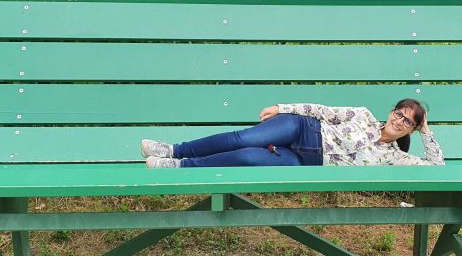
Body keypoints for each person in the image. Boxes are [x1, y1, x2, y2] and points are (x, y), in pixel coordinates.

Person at [142, 98, 444, 168]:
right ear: (392, 112)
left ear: (413, 129)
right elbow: (321, 111)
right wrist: (282, 107)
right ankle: (174, 150)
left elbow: (436, 167)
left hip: (304, 162)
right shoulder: (363, 115)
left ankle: (178, 166)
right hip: (303, 129)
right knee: (245, 138)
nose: (400, 121)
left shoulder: (393, 157)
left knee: (248, 157)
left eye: (409, 122)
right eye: (399, 114)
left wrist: (427, 130)